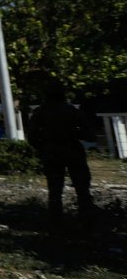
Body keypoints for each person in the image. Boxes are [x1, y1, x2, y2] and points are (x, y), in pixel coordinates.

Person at [26, 81, 97, 223]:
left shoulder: (41, 112)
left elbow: (32, 136)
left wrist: (42, 146)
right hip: (72, 150)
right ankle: (86, 217)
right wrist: (75, 135)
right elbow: (89, 135)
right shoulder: (72, 111)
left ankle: (56, 219)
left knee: (55, 189)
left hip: (51, 152)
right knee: (82, 187)